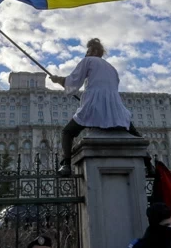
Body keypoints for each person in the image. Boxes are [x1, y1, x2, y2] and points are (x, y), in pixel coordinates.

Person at [51, 38, 151, 176]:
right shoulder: (112, 68)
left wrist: (58, 80)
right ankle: (149, 164)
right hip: (116, 108)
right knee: (136, 136)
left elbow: (72, 82)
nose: (86, 54)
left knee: (67, 132)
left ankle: (66, 164)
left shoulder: (88, 61)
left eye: (88, 51)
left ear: (95, 51)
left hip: (93, 106)